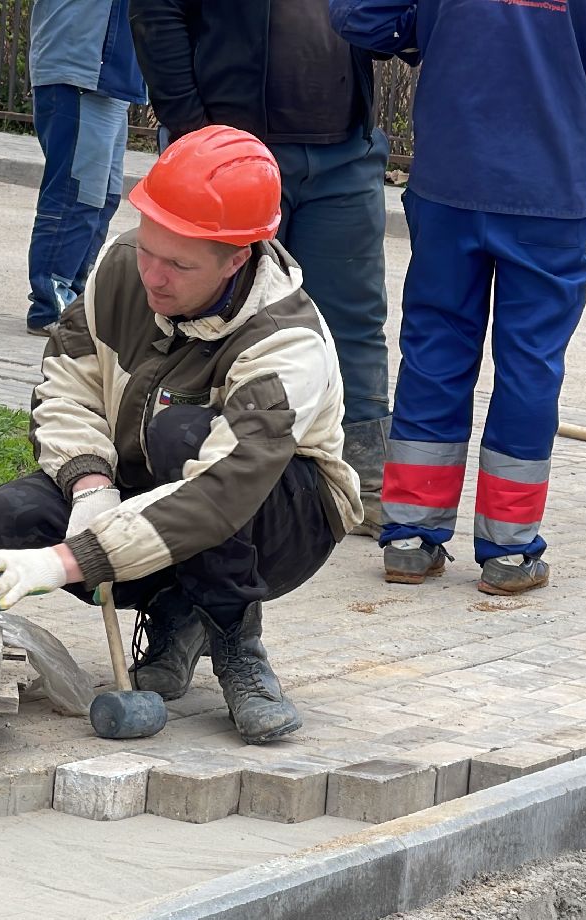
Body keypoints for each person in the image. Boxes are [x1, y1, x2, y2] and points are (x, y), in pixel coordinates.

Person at [0, 126, 361, 745]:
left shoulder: (285, 342)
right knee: (17, 514)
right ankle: (177, 609)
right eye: (149, 246)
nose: (152, 274)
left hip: (283, 519)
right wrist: (90, 482)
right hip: (149, 487)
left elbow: (221, 492)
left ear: (239, 257)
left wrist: (74, 559)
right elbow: (67, 377)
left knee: (182, 434)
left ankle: (235, 640)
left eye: (179, 263)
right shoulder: (126, 267)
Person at [330, 0, 586, 595]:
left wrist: (431, 35)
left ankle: (410, 535)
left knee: (435, 352)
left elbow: (358, 17)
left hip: (450, 178)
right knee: (529, 366)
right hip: (549, 189)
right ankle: (510, 551)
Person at [129, 0, 393, 537]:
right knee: (200, 310)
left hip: (342, 149)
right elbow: (157, 13)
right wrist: (191, 131)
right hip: (223, 159)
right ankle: (177, 466)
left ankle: (364, 480)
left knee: (355, 321)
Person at [26, 0, 147, 336]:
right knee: (74, 195)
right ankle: (51, 303)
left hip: (108, 77)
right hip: (81, 69)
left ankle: (74, 297)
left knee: (100, 197)